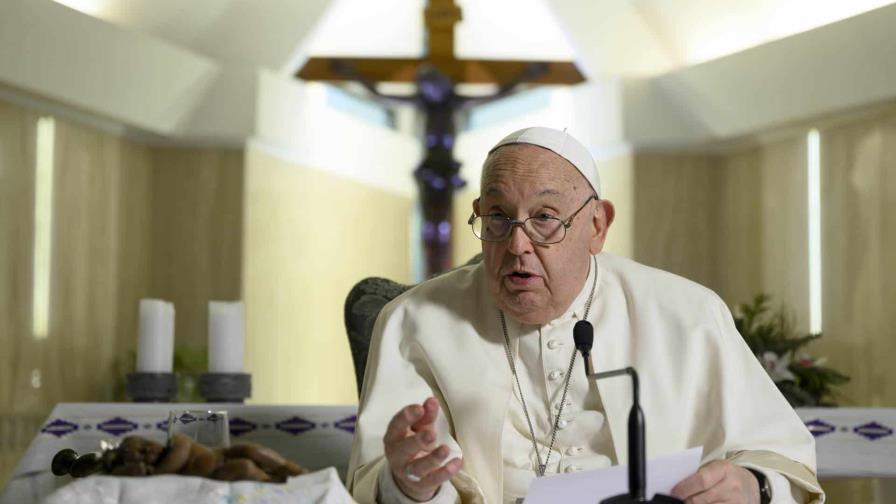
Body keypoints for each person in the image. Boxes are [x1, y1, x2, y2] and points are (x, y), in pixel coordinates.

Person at [347, 127, 823, 504]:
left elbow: (781, 459)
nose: (517, 245)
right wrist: (411, 484)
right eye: (498, 217)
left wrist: (754, 486)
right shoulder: (413, 322)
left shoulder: (689, 314)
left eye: (544, 217)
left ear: (597, 225)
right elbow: (381, 482)